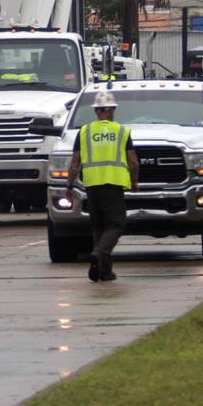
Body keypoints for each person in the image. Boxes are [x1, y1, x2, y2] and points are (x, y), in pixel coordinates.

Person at [65, 89, 139, 283]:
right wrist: (134, 181)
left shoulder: (85, 131)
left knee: (99, 227)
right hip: (113, 185)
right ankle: (98, 253)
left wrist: (69, 185)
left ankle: (104, 272)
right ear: (111, 109)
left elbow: (75, 162)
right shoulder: (121, 131)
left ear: (96, 111)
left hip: (92, 185)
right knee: (116, 225)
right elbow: (133, 161)